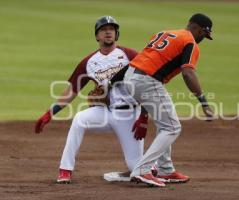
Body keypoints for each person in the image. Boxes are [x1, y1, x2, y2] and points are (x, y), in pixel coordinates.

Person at [34, 16, 148, 184]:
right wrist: (49, 114)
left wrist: (144, 115)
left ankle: (154, 168)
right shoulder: (89, 62)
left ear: (116, 35)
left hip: (129, 115)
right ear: (97, 36)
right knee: (79, 119)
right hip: (106, 112)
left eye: (112, 29)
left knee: (137, 168)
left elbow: (148, 82)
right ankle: (65, 170)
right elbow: (71, 91)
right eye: (103, 29)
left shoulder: (130, 55)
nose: (108, 32)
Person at [121, 13, 215, 187]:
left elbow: (145, 61)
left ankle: (166, 170)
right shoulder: (190, 43)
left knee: (166, 124)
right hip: (147, 80)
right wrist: (204, 102)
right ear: (200, 30)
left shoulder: (164, 33)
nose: (203, 38)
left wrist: (143, 114)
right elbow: (188, 72)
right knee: (172, 127)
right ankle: (143, 170)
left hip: (131, 77)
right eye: (204, 34)